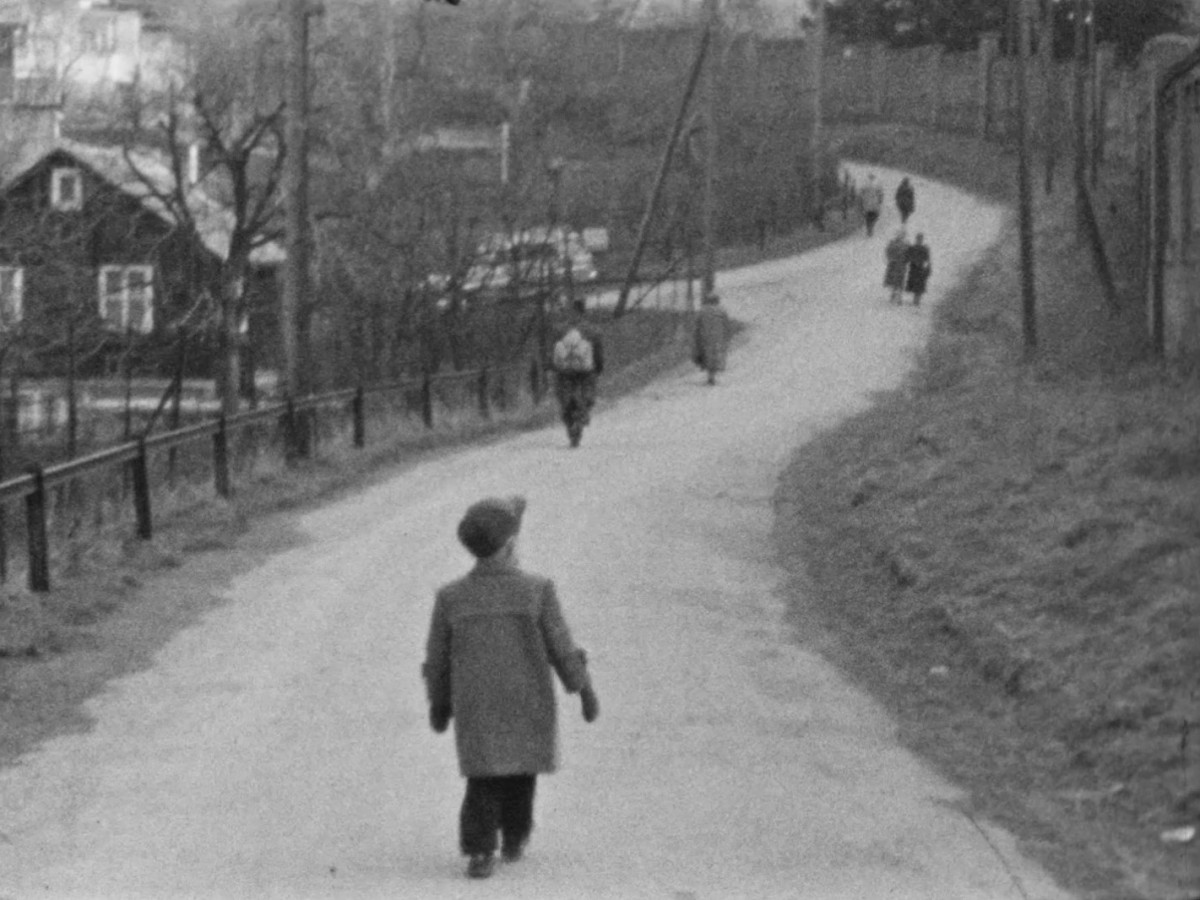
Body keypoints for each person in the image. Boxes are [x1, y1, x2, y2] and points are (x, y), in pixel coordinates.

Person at [424, 495, 600, 880]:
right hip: (528, 700)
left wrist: (439, 704)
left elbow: (437, 659)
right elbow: (561, 646)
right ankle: (515, 837)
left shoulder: (451, 597)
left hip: (477, 706)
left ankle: (480, 850)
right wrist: (583, 688)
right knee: (522, 770)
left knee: (483, 775)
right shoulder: (537, 589)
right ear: (509, 546)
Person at [551, 299, 604, 430]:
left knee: (560, 389)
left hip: (565, 370)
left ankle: (566, 411)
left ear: (572, 312)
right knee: (589, 392)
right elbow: (598, 352)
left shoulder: (560, 330)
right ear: (584, 311)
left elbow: (555, 350)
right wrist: (598, 367)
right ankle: (583, 411)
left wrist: (552, 366)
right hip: (586, 370)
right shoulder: (593, 330)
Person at [693, 291, 730, 385]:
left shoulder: (702, 311)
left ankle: (710, 376)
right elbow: (726, 325)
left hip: (705, 337)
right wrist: (726, 336)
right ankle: (712, 376)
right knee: (716, 355)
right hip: (718, 337)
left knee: (707, 355)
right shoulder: (722, 311)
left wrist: (697, 337)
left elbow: (697, 325)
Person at [905, 232, 932, 306]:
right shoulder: (912, 248)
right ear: (916, 239)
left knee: (919, 286)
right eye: (918, 239)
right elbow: (907, 257)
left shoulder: (924, 249)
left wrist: (927, 267)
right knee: (915, 285)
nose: (919, 240)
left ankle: (917, 300)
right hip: (913, 268)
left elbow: (927, 259)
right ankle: (915, 300)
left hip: (920, 269)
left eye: (920, 239)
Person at [883, 228, 909, 305]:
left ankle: (899, 297)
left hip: (901, 265)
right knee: (895, 280)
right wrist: (890, 259)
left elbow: (909, 254)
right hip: (894, 264)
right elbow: (888, 252)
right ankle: (894, 294)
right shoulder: (893, 243)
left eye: (901, 235)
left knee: (900, 280)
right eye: (899, 235)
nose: (900, 237)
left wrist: (906, 260)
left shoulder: (906, 244)